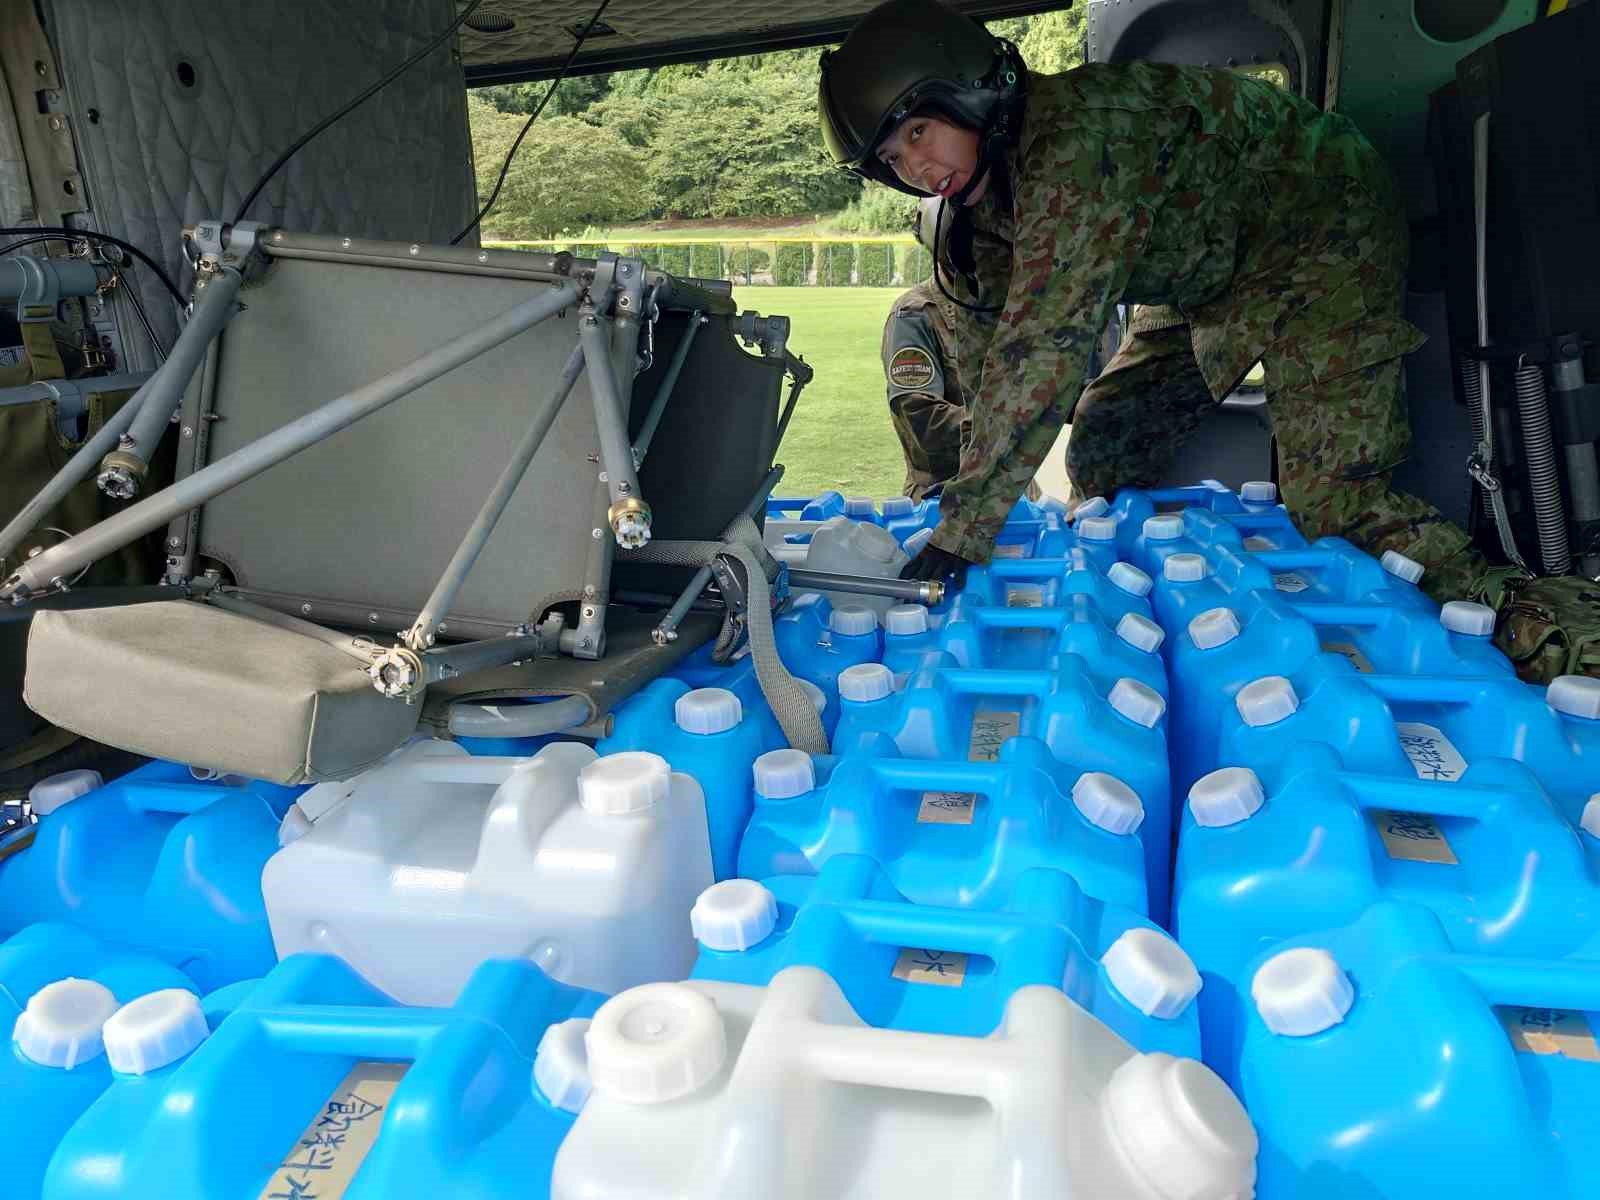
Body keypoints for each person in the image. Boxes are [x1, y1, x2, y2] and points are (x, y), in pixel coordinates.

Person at [818, 0, 1487, 600]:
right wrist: (958, 495)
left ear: (969, 93)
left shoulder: (1078, 141)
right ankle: (1124, 586)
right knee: (1105, 442)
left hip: (1322, 238)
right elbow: (986, 356)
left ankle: (1540, 625)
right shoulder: (986, 196)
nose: (919, 171)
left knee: (1341, 510)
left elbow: (1043, 346)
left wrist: (962, 534)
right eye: (894, 160)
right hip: (1208, 270)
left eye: (917, 134)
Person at [880, 198, 972, 500]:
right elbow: (921, 421)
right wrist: (1007, 426)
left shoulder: (1004, 309)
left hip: (1014, 496)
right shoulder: (915, 314)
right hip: (942, 501)